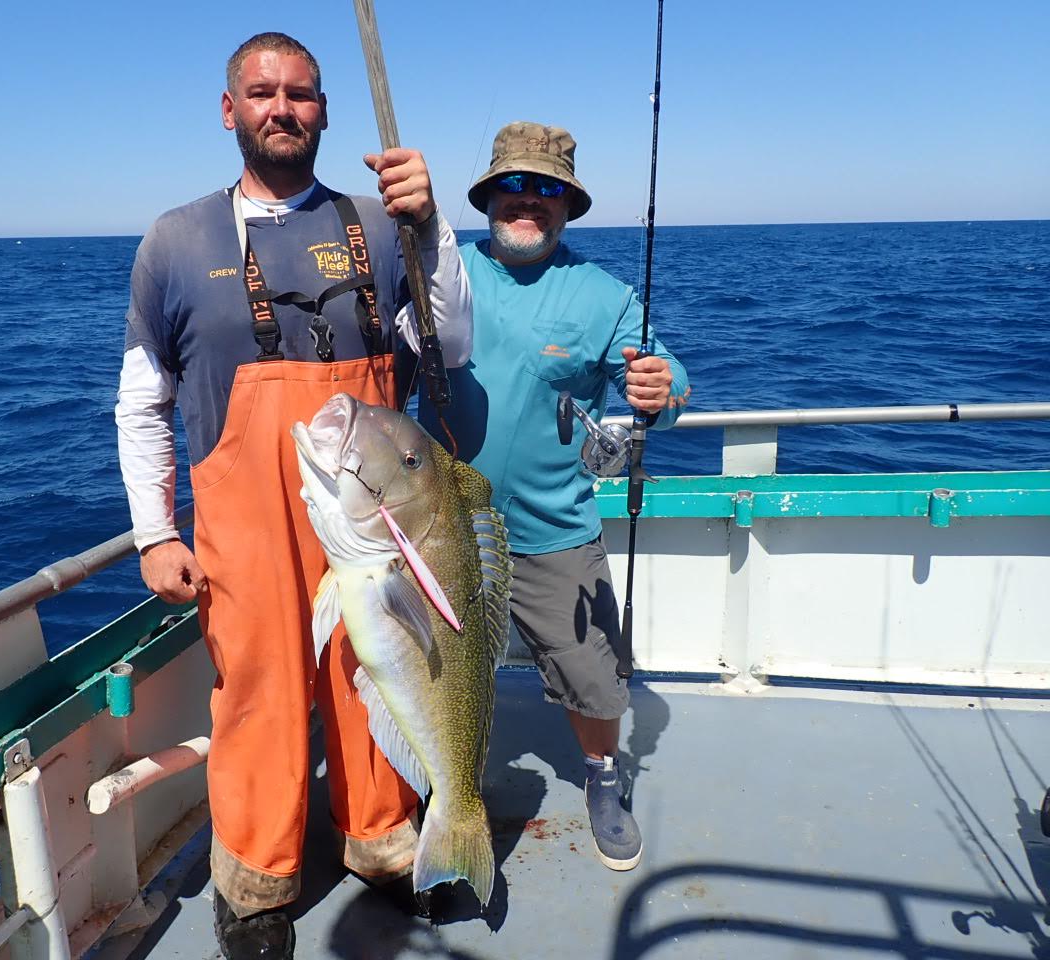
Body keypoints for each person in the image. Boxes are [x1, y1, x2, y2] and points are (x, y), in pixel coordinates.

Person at [114, 32, 472, 960]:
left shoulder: (381, 223)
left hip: (374, 511)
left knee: (378, 670)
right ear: (229, 110)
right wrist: (154, 533)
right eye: (263, 92)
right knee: (258, 687)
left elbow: (452, 344)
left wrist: (433, 228)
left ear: (324, 111)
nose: (283, 108)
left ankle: (386, 841)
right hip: (245, 520)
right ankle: (255, 883)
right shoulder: (175, 242)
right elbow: (142, 402)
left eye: (302, 93)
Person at [419, 121, 689, 875]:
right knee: (433, 670)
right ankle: (433, 785)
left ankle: (602, 775)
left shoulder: (604, 295)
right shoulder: (441, 277)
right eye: (513, 184)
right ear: (487, 198)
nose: (528, 199)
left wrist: (663, 389)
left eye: (547, 188)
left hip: (554, 527)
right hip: (442, 527)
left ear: (568, 205)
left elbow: (667, 382)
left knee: (592, 674)